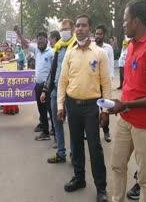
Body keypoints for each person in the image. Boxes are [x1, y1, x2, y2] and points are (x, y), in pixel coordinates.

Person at [108, 0, 146, 202]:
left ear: (136, 21)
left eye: (125, 19)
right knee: (117, 165)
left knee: (145, 178)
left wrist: (127, 104)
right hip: (126, 118)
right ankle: (117, 199)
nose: (123, 23)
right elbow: (133, 85)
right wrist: (119, 102)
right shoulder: (132, 44)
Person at [57, 14, 111, 202]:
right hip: (72, 105)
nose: (79, 28)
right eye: (77, 26)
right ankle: (79, 178)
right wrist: (60, 105)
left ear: (90, 28)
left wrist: (105, 111)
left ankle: (101, 188)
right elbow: (63, 81)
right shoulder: (70, 53)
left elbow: (106, 83)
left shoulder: (99, 53)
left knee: (95, 147)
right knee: (76, 145)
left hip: (91, 107)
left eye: (83, 25)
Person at [41, 19, 77, 163]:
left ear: (72, 29)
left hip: (71, 91)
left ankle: (74, 155)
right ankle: (61, 153)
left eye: (66, 29)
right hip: (56, 90)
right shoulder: (58, 47)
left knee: (73, 126)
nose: (64, 31)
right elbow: (53, 69)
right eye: (62, 29)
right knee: (57, 122)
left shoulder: (76, 46)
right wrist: (45, 89)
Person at [15, 26, 54, 141]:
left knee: (50, 110)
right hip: (38, 85)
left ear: (46, 40)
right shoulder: (36, 50)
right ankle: (45, 132)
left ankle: (56, 134)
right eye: (38, 39)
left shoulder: (51, 52)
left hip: (47, 86)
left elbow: (54, 70)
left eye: (42, 39)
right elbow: (25, 43)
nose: (40, 42)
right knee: (41, 110)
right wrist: (19, 34)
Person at [94, 24, 114, 143]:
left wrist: (109, 80)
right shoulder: (91, 47)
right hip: (93, 84)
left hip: (104, 83)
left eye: (100, 34)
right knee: (92, 109)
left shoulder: (108, 48)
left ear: (104, 35)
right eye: (96, 33)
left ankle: (106, 131)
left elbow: (111, 64)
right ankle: (91, 132)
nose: (97, 36)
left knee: (105, 108)